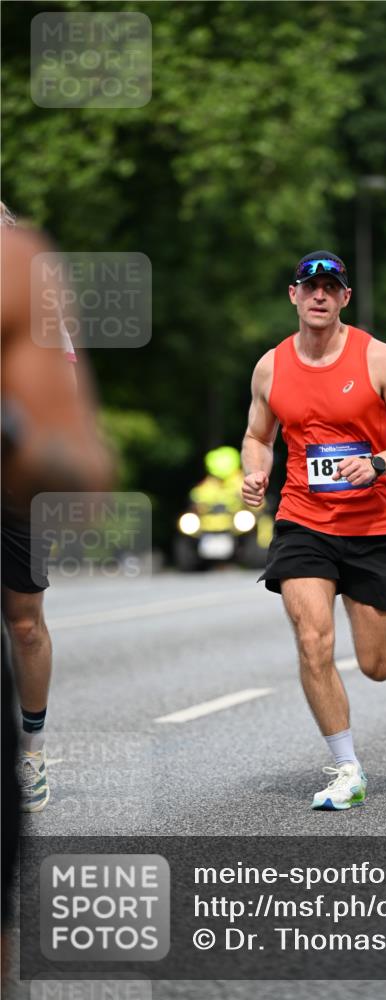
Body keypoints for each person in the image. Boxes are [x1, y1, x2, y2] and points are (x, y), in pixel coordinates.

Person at [241, 251, 386, 810]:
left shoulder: (377, 358)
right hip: (302, 521)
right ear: (293, 295)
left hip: (373, 526)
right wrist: (254, 471)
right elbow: (258, 435)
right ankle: (347, 767)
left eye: (331, 287)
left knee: (376, 666)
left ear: (345, 298)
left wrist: (379, 463)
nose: (319, 296)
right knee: (313, 640)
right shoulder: (271, 367)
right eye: (310, 288)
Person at [1, 212, 112, 946]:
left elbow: (82, 464)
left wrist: (18, 434)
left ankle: (33, 752)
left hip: (10, 492)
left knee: (25, 622)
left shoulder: (23, 281)